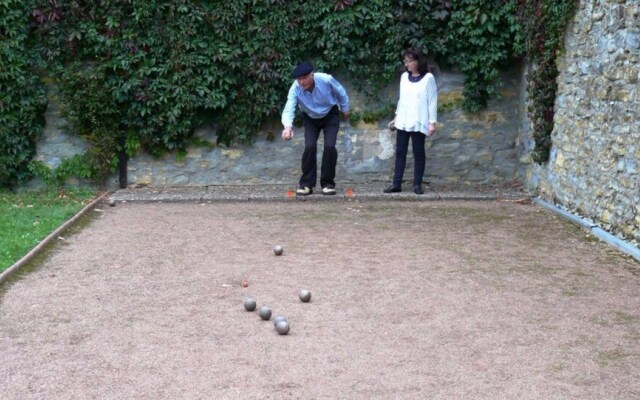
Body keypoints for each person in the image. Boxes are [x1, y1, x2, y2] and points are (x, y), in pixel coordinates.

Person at [281, 62, 349, 196]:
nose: (302, 82)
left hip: (330, 114)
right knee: (310, 147)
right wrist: (287, 127)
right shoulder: (295, 88)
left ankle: (328, 184)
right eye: (299, 79)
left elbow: (341, 92)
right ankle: (306, 184)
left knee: (330, 146)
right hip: (310, 117)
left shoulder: (326, 79)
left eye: (304, 78)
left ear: (312, 75)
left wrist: (345, 108)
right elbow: (289, 108)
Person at [384, 47, 438, 195]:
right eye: (405, 61)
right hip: (404, 119)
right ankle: (396, 184)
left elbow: (432, 101)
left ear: (417, 61)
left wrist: (432, 122)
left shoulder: (428, 78)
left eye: (409, 61)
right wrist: (396, 117)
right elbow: (402, 99)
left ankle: (417, 184)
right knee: (400, 151)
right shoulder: (403, 78)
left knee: (418, 152)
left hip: (419, 120)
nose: (406, 64)